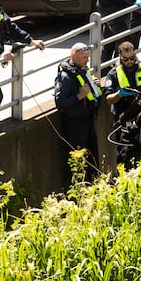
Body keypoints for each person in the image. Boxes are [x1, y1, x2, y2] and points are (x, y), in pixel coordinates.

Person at [54, 42, 102, 184]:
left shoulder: (83, 70)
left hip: (88, 120)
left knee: (92, 156)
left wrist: (96, 87)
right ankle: (77, 187)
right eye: (84, 58)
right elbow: (60, 103)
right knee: (77, 160)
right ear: (73, 56)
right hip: (75, 124)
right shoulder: (65, 77)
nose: (87, 60)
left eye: (88, 57)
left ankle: (93, 183)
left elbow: (92, 94)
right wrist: (79, 96)